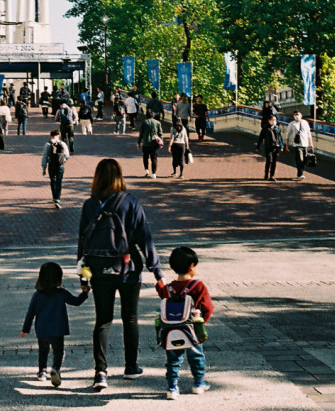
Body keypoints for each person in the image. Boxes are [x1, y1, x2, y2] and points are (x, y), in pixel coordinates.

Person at [77, 158, 166, 391]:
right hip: (128, 268)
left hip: (98, 269)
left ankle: (100, 372)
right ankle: (131, 367)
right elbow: (145, 239)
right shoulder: (131, 203)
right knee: (130, 318)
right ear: (120, 176)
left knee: (103, 320)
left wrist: (83, 277)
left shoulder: (89, 205)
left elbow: (82, 243)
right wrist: (157, 271)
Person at [20, 261, 89, 388]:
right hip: (58, 329)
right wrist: (84, 293)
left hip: (42, 329)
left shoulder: (37, 295)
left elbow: (30, 313)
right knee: (58, 351)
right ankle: (56, 369)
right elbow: (75, 301)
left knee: (43, 351)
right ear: (58, 279)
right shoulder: (61, 293)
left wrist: (25, 329)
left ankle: (42, 372)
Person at [159, 246, 213, 398]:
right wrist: (202, 323)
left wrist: (160, 285)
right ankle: (198, 383)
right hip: (192, 329)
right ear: (191, 267)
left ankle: (172, 387)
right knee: (196, 355)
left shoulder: (168, 289)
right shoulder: (198, 286)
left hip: (170, 330)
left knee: (173, 359)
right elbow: (207, 307)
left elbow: (162, 296)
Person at [41, 128, 69, 208]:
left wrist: (44, 168)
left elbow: (45, 156)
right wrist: (63, 160)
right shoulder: (62, 143)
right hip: (60, 165)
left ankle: (54, 198)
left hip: (51, 165)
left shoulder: (48, 144)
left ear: (51, 136)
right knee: (59, 181)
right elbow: (67, 155)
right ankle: (58, 198)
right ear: (59, 135)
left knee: (53, 180)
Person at [285, 110, 313, 179]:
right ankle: (300, 174)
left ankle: (300, 173)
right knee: (299, 159)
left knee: (305, 160)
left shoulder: (305, 122)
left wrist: (311, 143)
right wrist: (287, 145)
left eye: (297, 114)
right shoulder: (292, 124)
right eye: (295, 115)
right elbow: (287, 135)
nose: (296, 116)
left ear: (301, 115)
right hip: (297, 144)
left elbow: (309, 134)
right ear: (293, 116)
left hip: (305, 144)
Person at [137, 107, 164, 178]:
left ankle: (146, 171)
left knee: (145, 157)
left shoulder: (144, 122)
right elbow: (160, 133)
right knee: (154, 159)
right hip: (154, 143)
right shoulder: (158, 123)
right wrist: (161, 142)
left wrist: (138, 142)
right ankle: (154, 173)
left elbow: (141, 134)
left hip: (146, 143)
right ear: (153, 115)